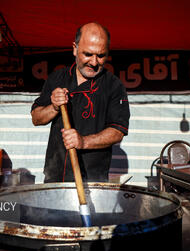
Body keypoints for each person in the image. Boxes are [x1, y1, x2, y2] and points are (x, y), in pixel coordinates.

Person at [31, 22, 130, 183]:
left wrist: (83, 142)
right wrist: (54, 107)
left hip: (92, 180)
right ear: (75, 48)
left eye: (101, 55)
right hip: (54, 177)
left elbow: (117, 131)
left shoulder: (114, 86)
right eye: (88, 54)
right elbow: (36, 118)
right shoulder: (57, 78)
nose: (94, 62)